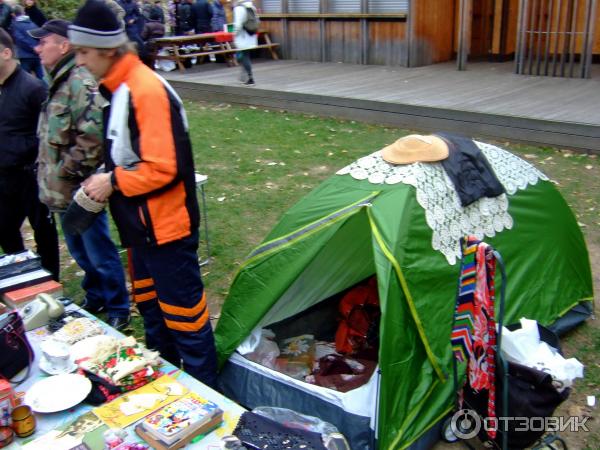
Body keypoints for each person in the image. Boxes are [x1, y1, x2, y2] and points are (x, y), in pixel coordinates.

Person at [69, 0, 218, 387]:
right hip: (141, 231)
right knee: (154, 315)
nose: (79, 61)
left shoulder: (145, 90)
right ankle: (163, 392)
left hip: (167, 231)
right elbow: (131, 155)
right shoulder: (119, 89)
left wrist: (111, 182)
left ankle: (211, 403)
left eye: (83, 52)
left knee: (186, 322)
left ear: (105, 50)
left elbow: (164, 167)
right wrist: (108, 175)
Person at [29, 19, 131, 330]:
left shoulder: (79, 81)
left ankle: (118, 306)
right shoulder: (57, 79)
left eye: (42, 41)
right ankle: (96, 293)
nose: (36, 47)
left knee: (98, 250)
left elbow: (93, 139)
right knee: (79, 250)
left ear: (63, 45)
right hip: (61, 190)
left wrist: (65, 173)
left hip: (79, 189)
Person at [0, 28, 59, 279]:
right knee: (4, 228)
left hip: (31, 174)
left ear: (5, 53)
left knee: (43, 231)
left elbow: (49, 133)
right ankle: (22, 277)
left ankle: (50, 280)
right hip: (4, 175)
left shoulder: (33, 88)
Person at [10, 5, 43, 79]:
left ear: (13, 14)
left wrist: (32, 48)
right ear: (24, 12)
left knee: (25, 80)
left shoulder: (15, 25)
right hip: (37, 55)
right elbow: (39, 37)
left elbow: (20, 39)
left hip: (25, 56)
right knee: (42, 78)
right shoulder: (32, 23)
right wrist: (37, 48)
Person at [233, 0, 257, 85]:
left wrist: (234, 34)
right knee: (244, 55)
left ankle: (250, 78)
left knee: (243, 57)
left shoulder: (238, 8)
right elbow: (257, 21)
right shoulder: (252, 7)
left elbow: (238, 24)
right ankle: (244, 76)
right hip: (250, 35)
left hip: (242, 36)